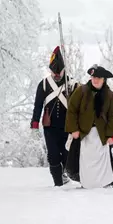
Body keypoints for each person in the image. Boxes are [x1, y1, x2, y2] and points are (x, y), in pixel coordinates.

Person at [65, 64, 113, 189]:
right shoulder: (81, 91)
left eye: (98, 78)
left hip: (102, 134)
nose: (95, 80)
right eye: (93, 77)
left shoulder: (110, 95)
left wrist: (110, 135)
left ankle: (103, 184)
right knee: (85, 160)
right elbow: (72, 110)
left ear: (103, 79)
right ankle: (86, 183)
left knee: (102, 161)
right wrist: (73, 129)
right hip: (84, 133)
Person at [30, 46, 78, 186]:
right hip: (50, 127)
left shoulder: (72, 84)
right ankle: (58, 185)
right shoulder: (44, 84)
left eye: (59, 72)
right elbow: (38, 105)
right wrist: (34, 124)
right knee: (53, 155)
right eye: (54, 72)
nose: (56, 74)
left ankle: (64, 176)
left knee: (66, 155)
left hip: (67, 126)